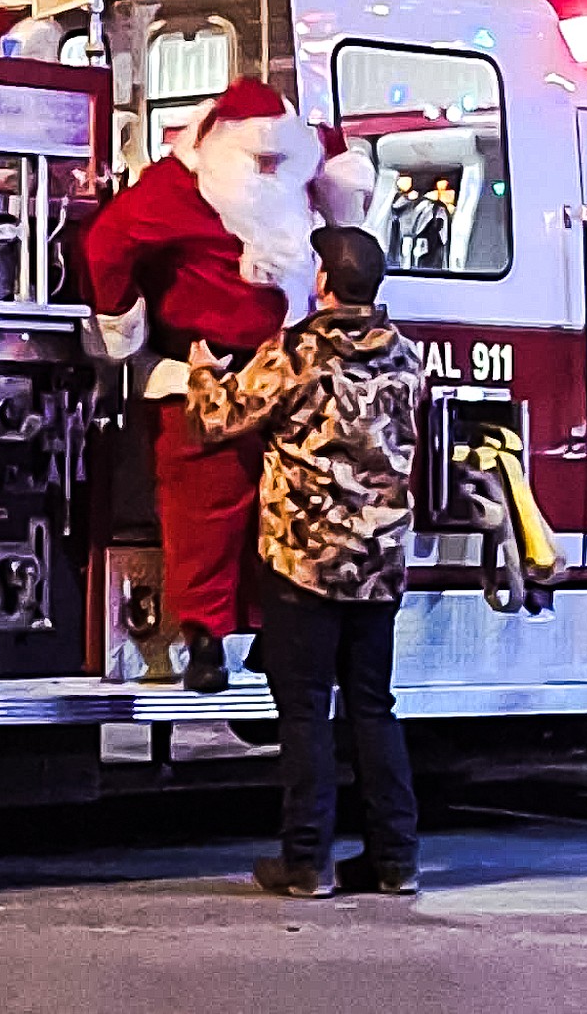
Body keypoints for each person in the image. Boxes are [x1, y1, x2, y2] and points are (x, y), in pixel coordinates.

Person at [84, 80, 369, 693]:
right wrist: (123, 320)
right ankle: (205, 637)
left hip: (291, 376)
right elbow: (108, 243)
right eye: (258, 161)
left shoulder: (305, 160)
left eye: (277, 162)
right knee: (206, 510)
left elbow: (345, 178)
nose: (269, 172)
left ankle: (276, 631)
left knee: (298, 509)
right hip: (204, 375)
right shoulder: (176, 187)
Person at [187, 225, 423, 896]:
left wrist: (204, 364)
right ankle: (395, 859)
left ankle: (305, 861)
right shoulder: (407, 354)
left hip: (304, 561)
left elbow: (217, 418)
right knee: (374, 708)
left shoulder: (297, 353)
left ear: (323, 281)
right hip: (379, 562)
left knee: (305, 711)